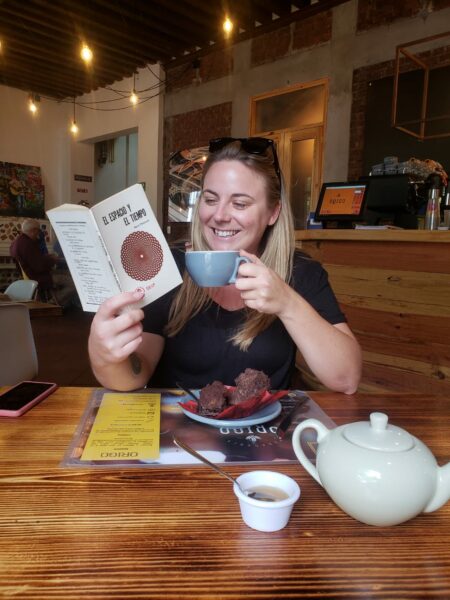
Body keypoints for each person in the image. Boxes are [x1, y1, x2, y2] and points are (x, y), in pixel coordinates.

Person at [88, 137, 362, 394]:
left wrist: (287, 303)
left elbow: (346, 378)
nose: (219, 216)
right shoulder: (169, 266)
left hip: (263, 436)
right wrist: (106, 358)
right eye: (210, 200)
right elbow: (137, 373)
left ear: (273, 212)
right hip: (178, 434)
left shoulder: (300, 272)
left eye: (240, 203)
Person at [10, 218, 78, 308]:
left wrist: (48, 257)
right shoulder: (27, 244)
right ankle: (51, 303)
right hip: (39, 277)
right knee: (74, 283)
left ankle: (58, 302)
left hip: (31, 275)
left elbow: (36, 260)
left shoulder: (17, 242)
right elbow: (39, 266)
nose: (38, 234)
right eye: (38, 231)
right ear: (33, 230)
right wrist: (53, 260)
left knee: (69, 275)